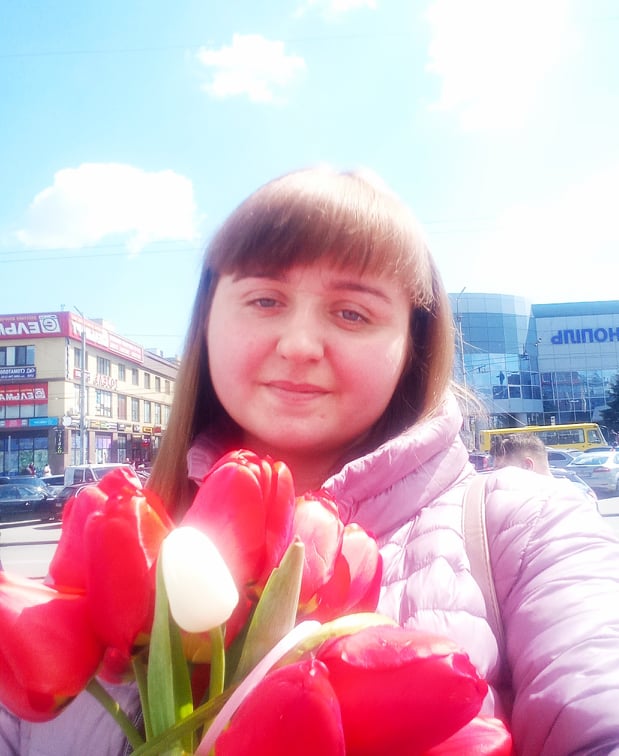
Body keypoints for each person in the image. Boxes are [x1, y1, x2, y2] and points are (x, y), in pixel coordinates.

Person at [3, 166, 619, 754]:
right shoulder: (117, 540)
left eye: (352, 313)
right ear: (207, 323)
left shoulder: (528, 531)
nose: (299, 346)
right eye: (264, 300)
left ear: (412, 343)